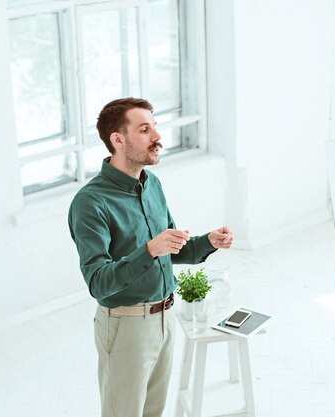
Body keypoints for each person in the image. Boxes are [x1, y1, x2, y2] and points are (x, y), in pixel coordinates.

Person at [68, 97, 233, 417]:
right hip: (125, 325)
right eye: (144, 129)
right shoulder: (90, 203)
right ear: (118, 140)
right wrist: (149, 251)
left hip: (165, 320)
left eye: (154, 127)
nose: (157, 136)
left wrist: (207, 242)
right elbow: (99, 282)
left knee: (153, 412)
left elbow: (172, 248)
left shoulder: (152, 184)